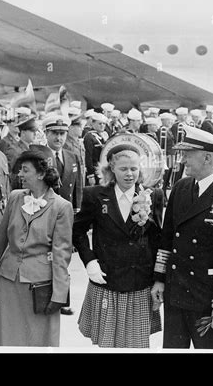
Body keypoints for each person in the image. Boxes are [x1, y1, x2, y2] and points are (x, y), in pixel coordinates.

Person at [151, 126, 213, 349]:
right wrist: (159, 278)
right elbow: (167, 238)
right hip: (176, 292)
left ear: (207, 158)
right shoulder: (180, 187)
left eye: (188, 154)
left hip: (207, 299)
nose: (182, 159)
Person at [73, 145, 164, 348]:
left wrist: (159, 279)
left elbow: (158, 239)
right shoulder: (94, 195)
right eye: (124, 169)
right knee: (107, 345)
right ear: (112, 168)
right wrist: (89, 261)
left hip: (139, 282)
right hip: (107, 278)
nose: (130, 174)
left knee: (136, 345)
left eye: (134, 168)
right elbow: (76, 231)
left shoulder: (153, 195)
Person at [0, 149, 73, 347]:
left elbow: (62, 253)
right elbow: (0, 239)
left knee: (37, 339)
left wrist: (60, 294)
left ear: (41, 174)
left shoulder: (61, 207)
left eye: (25, 170)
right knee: (6, 336)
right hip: (9, 280)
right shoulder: (15, 197)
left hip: (40, 286)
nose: (20, 175)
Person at [43, 114, 83, 214]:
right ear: (46, 133)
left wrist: (76, 208)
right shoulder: (39, 156)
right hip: (45, 210)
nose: (58, 138)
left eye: (62, 134)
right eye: (55, 133)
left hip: (65, 209)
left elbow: (77, 186)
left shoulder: (72, 157)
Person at [84, 112, 108, 186]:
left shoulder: (104, 135)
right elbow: (88, 156)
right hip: (94, 171)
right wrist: (90, 175)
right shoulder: (89, 137)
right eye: (99, 123)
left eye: (104, 124)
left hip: (103, 169)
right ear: (93, 124)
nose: (102, 126)